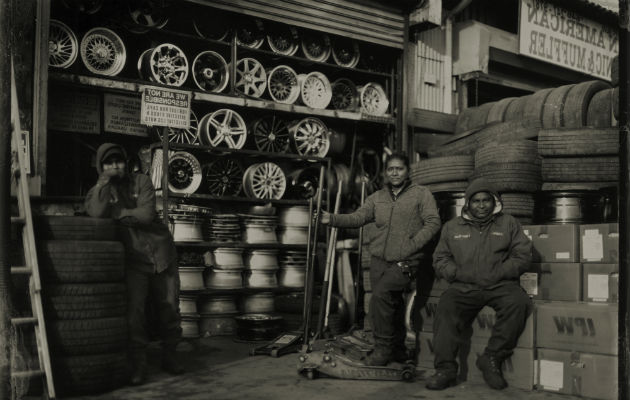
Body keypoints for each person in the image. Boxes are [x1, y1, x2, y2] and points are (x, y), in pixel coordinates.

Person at [321, 152, 441, 366]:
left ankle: (383, 350)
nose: (395, 173)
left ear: (408, 171)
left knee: (381, 297)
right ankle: (398, 350)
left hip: (407, 259)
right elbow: (358, 217)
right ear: (386, 173)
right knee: (392, 303)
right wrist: (332, 218)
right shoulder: (376, 198)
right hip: (379, 260)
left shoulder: (421, 194)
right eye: (391, 169)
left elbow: (433, 223)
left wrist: (413, 245)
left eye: (400, 168)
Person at [85, 143, 183, 385]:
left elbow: (147, 214)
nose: (114, 166)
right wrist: (103, 185)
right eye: (108, 163)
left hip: (162, 255)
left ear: (126, 162)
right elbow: (96, 213)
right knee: (135, 313)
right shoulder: (100, 190)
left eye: (118, 161)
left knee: (170, 308)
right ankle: (139, 364)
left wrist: (118, 215)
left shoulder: (143, 182)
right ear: (101, 166)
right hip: (134, 261)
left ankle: (170, 355)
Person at [426, 177, 532, 391]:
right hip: (463, 286)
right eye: (476, 201)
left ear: (494, 202)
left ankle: (492, 358)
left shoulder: (508, 223)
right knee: (446, 307)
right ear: (468, 203)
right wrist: (454, 273)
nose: (481, 205)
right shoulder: (452, 227)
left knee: (519, 302)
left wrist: (500, 273)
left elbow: (523, 254)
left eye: (486, 200)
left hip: (499, 285)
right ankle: (445, 369)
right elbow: (440, 258)